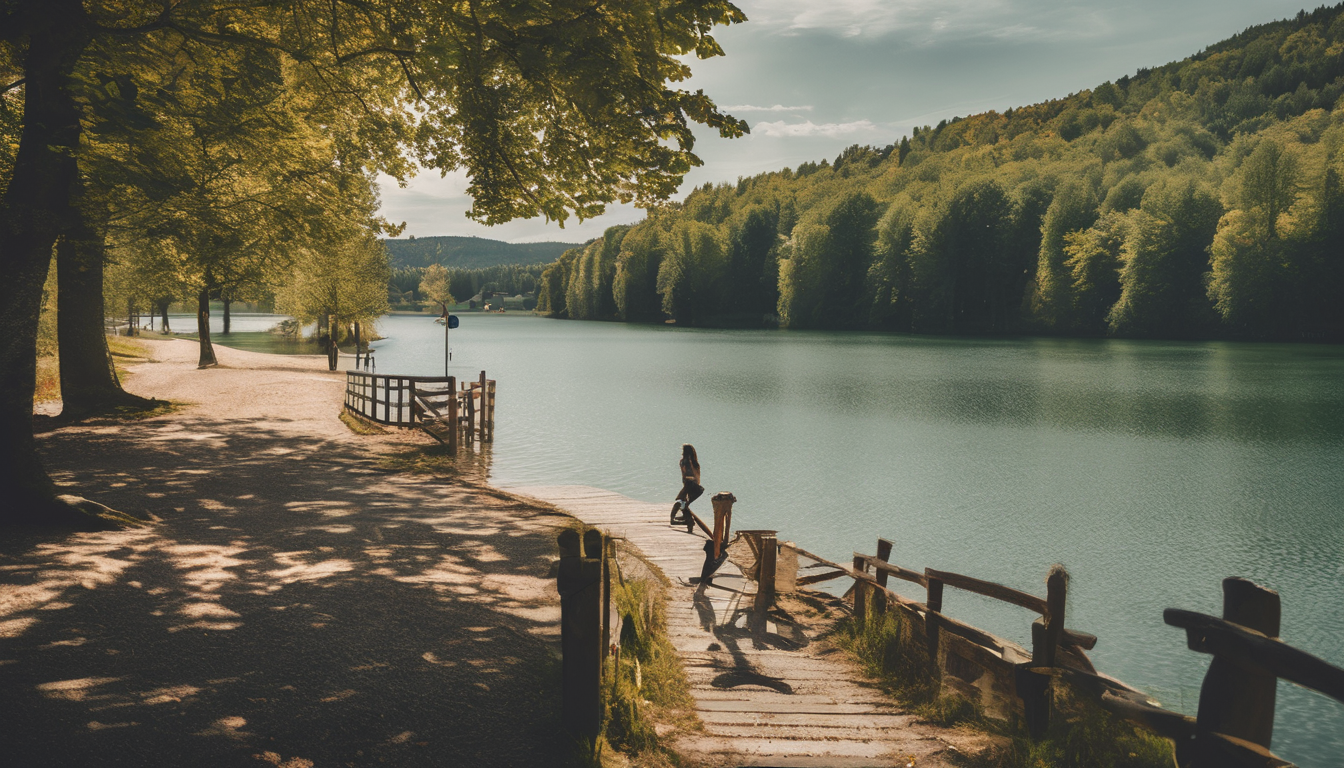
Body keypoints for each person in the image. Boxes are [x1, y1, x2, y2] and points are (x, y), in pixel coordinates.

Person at [671, 444, 704, 531]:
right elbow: (697, 476)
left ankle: (686, 521)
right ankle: (689, 522)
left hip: (689, 484)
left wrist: (687, 481)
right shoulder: (695, 462)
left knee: (680, 500)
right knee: (686, 503)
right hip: (695, 485)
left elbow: (687, 473)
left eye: (683, 451)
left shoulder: (685, 461)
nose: (682, 453)